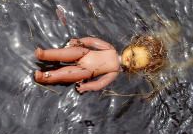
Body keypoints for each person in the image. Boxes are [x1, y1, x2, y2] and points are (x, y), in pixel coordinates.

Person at [34, 34, 166, 94]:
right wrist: (80, 42)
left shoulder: (114, 71)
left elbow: (100, 83)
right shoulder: (110, 48)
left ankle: (45, 76)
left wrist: (87, 86)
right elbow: (92, 42)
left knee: (66, 74)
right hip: (84, 53)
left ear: (138, 69)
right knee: (71, 52)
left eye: (135, 63)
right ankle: (44, 54)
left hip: (86, 71)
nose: (131, 60)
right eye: (132, 54)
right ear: (131, 46)